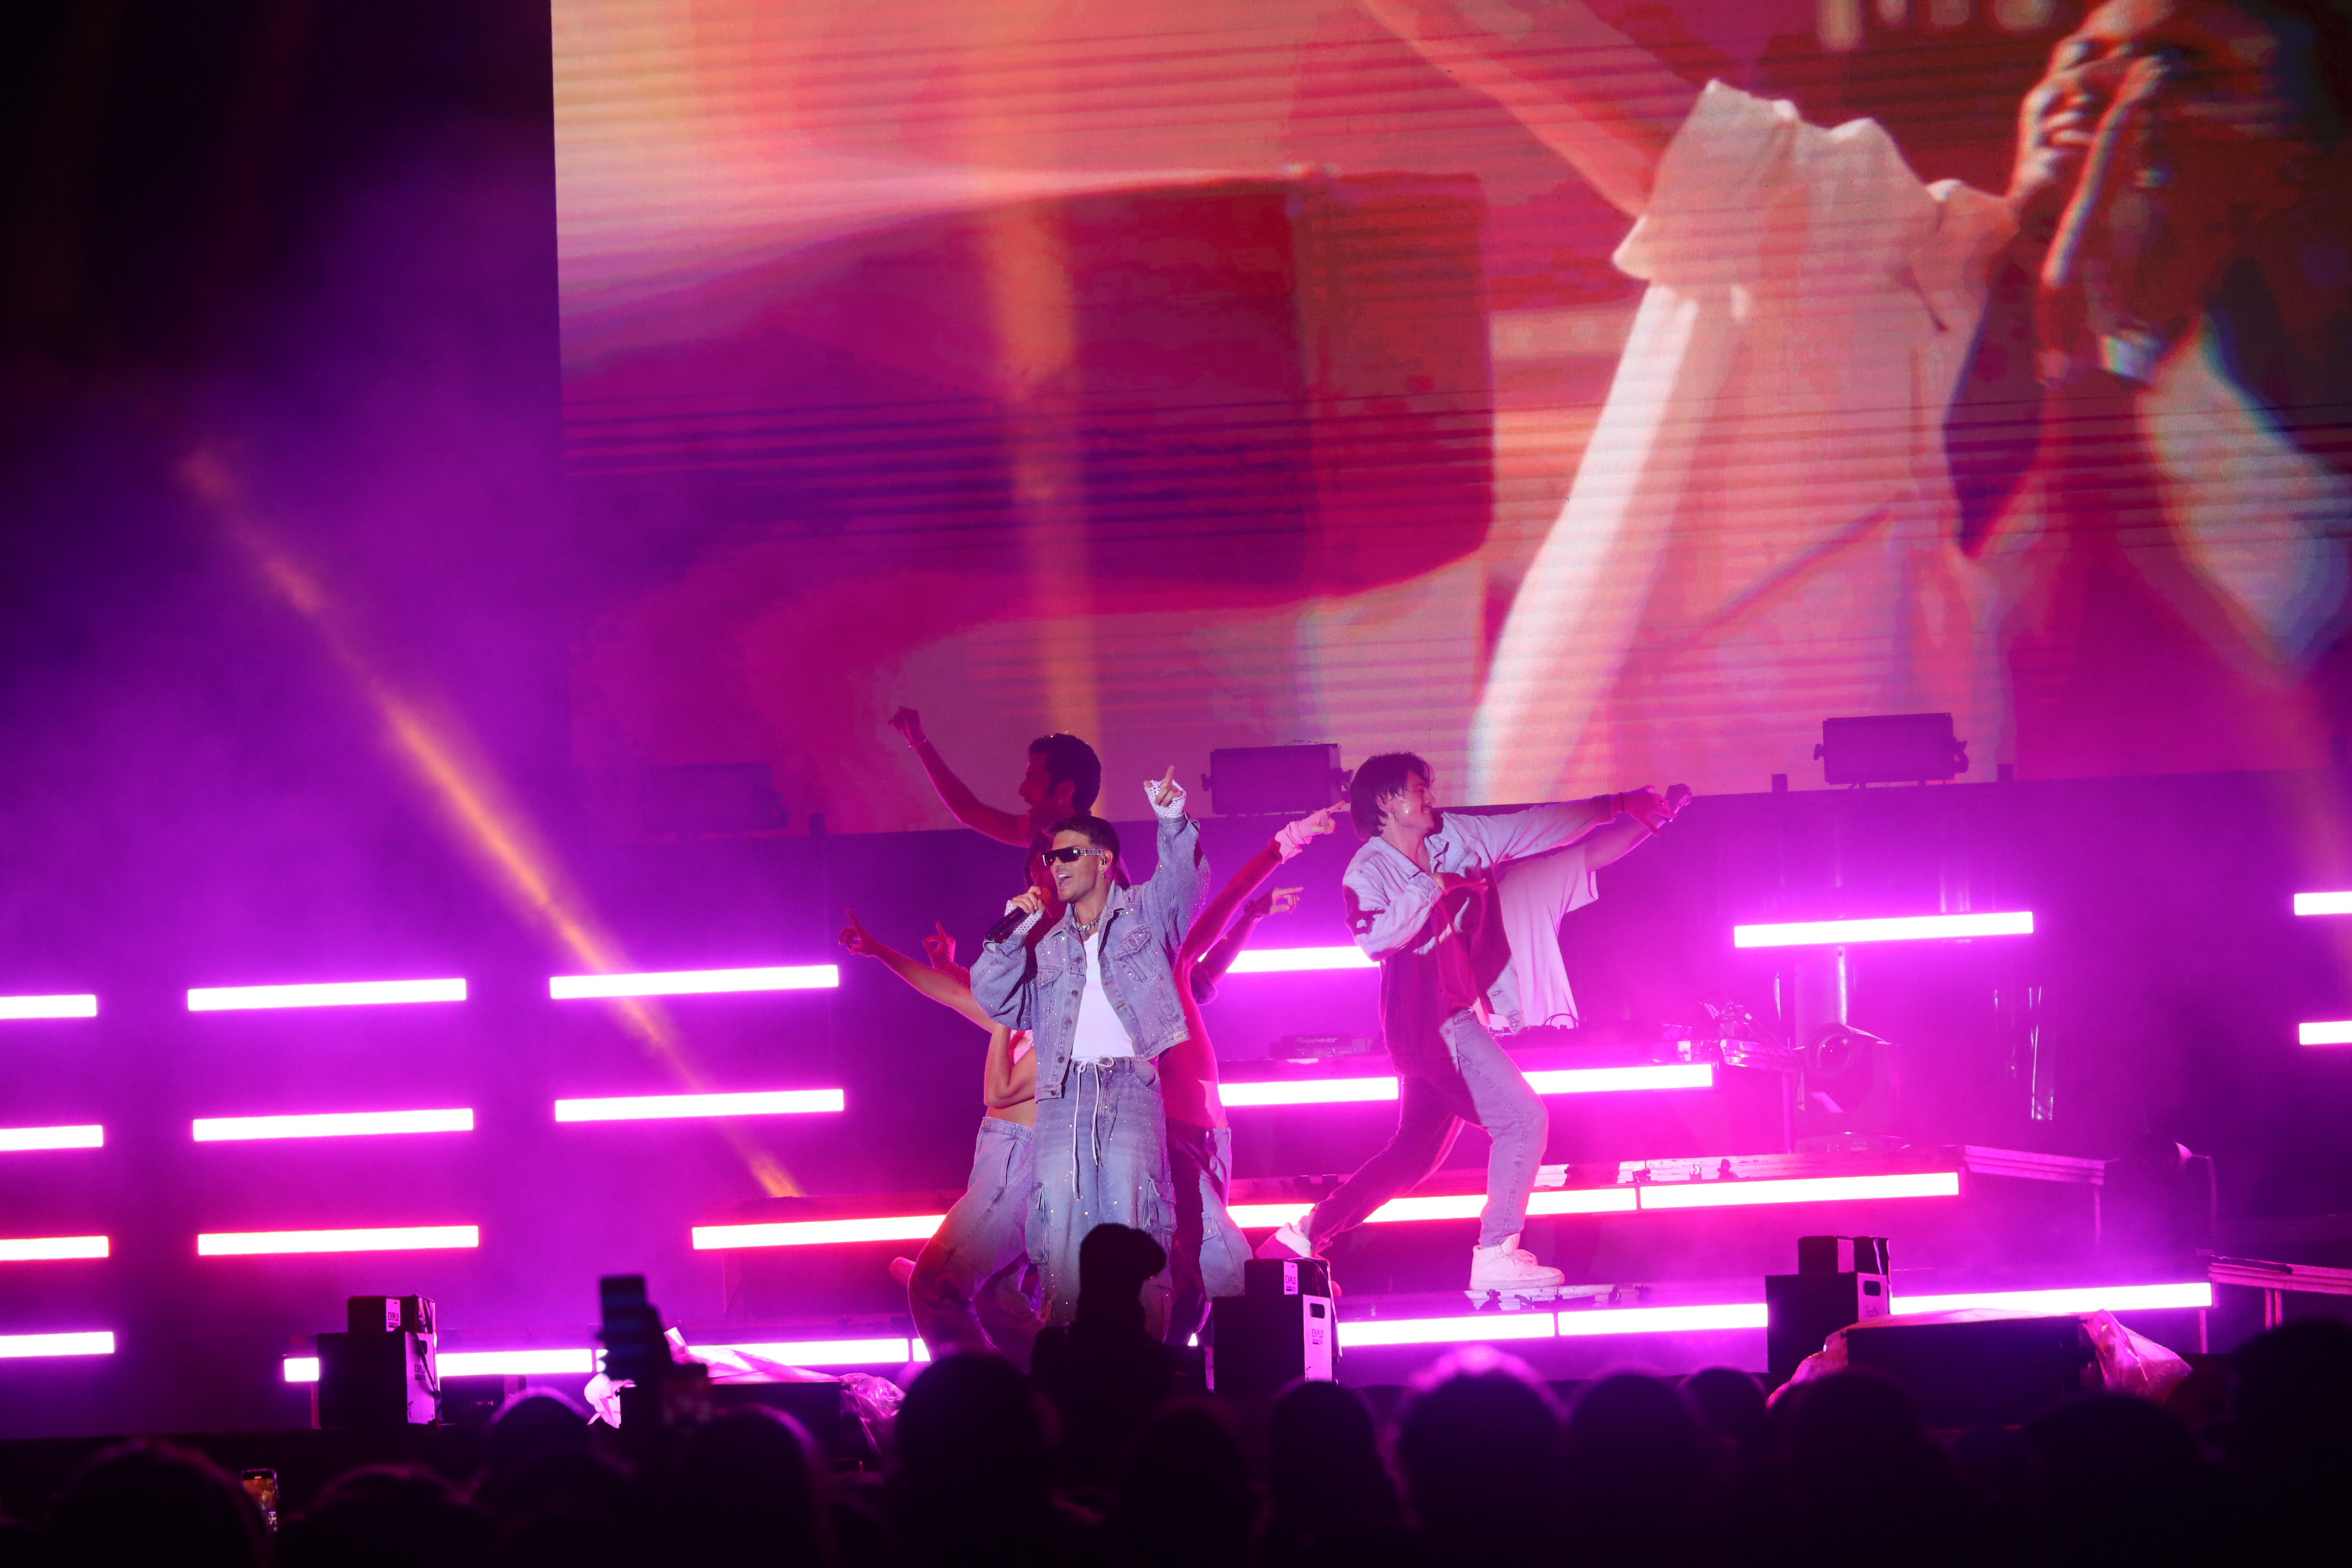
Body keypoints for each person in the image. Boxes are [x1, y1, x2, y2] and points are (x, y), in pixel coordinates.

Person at [1364, 0, 2352, 798]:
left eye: (2181, 69)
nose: (2106, 87)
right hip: (1608, 900)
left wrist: (2100, 360)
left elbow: (2155, 775)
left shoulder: (2273, 508)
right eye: (2082, 54)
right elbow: (1502, 30)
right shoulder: (1836, 215)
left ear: (2296, 162)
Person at [1258, 753, 1683, 1296]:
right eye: (1419, 789)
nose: (1431, 798)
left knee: (1411, 1156)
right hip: (1431, 1026)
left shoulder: (1454, 836)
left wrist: (1614, 806)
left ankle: (1299, 1236)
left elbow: (1532, 827)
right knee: (1523, 1121)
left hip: (1441, 1025)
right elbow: (1374, 939)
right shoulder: (1367, 871)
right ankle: (1496, 1253)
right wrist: (1432, 885)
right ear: (1387, 802)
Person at [971, 769, 1208, 1328]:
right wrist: (1012, 933)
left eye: (1068, 855)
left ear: (1103, 860)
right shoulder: (1047, 946)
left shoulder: (1145, 914)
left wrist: (1172, 818)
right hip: (1062, 1097)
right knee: (1061, 1236)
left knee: (1133, 1227)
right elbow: (997, 999)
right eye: (1050, 858)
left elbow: (1186, 884)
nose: (1055, 866)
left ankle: (1139, 1363)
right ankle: (1071, 1364)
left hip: (1129, 1088)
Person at [1162, 806, 1339, 1345]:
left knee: (1196, 1265)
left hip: (1212, 1137)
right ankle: (1251, 1348)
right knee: (1215, 1260)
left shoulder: (1174, 965)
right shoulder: (1151, 963)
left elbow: (1210, 963)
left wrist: (1254, 915)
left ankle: (1190, 1352)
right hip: (1175, 1136)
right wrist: (1285, 843)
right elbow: (1227, 899)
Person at [839, 909, 1043, 1365]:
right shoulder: (1032, 1018)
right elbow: (950, 993)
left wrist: (999, 1008)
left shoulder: (1061, 1022)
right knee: (997, 1304)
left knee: (934, 1286)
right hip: (1006, 1160)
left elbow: (999, 1089)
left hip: (1018, 1166)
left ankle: (971, 1398)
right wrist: (878, 950)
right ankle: (1058, 1392)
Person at [888, 708, 1101, 867]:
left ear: (1064, 791)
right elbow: (967, 810)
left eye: (1034, 779)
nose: (1022, 791)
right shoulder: (1041, 835)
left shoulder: (1088, 856)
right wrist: (920, 742)